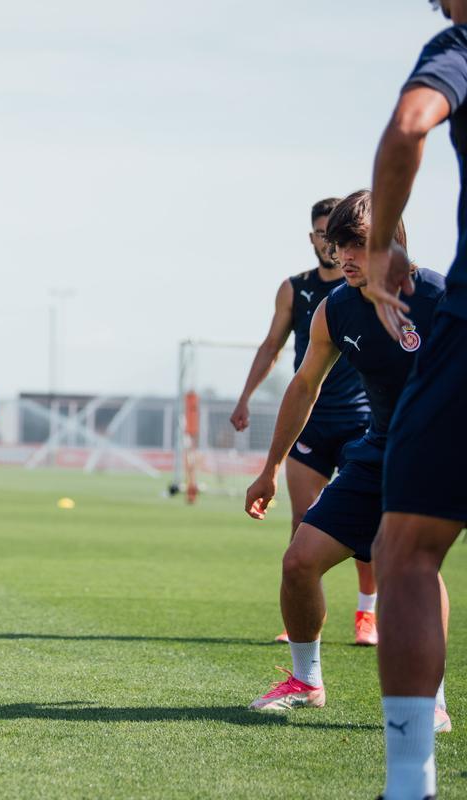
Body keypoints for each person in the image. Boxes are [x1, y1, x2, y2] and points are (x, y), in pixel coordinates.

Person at [244, 192, 451, 735]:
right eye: (339, 246)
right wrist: (269, 468)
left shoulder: (437, 295)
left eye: (357, 244)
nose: (344, 257)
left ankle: (429, 699)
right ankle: (306, 682)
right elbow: (304, 385)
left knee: (414, 568)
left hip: (438, 453)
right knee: (298, 562)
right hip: (377, 451)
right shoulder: (335, 307)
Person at [360, 3, 467, 796]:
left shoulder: (459, 47)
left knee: (407, 551)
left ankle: (410, 785)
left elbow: (409, 125)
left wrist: (381, 241)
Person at [231, 198, 377, 645]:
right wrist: (245, 397)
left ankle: (366, 613)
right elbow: (273, 347)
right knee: (303, 519)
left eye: (348, 241)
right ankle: (300, 615)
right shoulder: (298, 291)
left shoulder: (385, 295)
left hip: (362, 422)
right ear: (315, 239)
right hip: (310, 422)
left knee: (367, 529)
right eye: (324, 236)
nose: (333, 247)